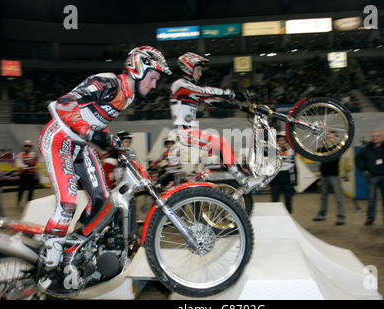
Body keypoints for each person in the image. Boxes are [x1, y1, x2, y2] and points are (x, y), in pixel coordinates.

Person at [38, 46, 171, 292]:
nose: (154, 85)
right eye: (153, 78)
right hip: (59, 140)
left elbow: (96, 121)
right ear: (139, 68)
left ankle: (73, 250)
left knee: (102, 200)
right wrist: (93, 135)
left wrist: (113, 143)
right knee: (67, 203)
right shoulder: (108, 83)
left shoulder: (128, 96)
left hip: (79, 145)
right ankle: (47, 267)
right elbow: (62, 106)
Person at [170, 52, 265, 194]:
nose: (200, 74)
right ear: (188, 69)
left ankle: (202, 185)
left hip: (190, 132)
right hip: (185, 133)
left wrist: (243, 107)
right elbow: (205, 91)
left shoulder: (191, 90)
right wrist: (233, 94)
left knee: (217, 157)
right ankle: (243, 180)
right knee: (222, 143)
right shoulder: (180, 85)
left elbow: (215, 101)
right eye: (198, 70)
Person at [355, 130, 384, 225]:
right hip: (372, 177)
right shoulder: (366, 148)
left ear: (381, 137)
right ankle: (370, 218)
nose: (375, 138)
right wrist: (363, 169)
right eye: (373, 136)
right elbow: (357, 158)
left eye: (377, 136)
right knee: (372, 199)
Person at [313, 133, 346, 225]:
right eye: (328, 137)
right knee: (324, 196)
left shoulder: (338, 149)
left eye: (332, 137)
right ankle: (322, 214)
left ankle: (341, 216)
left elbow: (333, 156)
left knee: (339, 197)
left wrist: (326, 144)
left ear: (336, 139)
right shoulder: (323, 149)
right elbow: (317, 155)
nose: (329, 139)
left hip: (334, 176)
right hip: (324, 175)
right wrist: (320, 144)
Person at [270, 133, 297, 214]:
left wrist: (295, 181)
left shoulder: (290, 151)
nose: (281, 142)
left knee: (288, 201)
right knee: (274, 201)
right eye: (279, 141)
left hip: (287, 180)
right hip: (276, 181)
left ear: (285, 141)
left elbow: (294, 167)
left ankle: (288, 217)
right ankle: (274, 217)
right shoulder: (273, 153)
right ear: (277, 142)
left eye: (282, 140)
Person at [15, 140, 39, 207]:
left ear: (31, 147)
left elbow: (35, 163)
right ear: (23, 147)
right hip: (23, 174)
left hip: (31, 174)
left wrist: (27, 165)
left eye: (28, 146)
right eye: (26, 146)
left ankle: (29, 202)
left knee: (31, 189)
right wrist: (29, 165)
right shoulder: (19, 155)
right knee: (21, 188)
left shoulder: (34, 154)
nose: (27, 147)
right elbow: (20, 164)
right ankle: (19, 201)